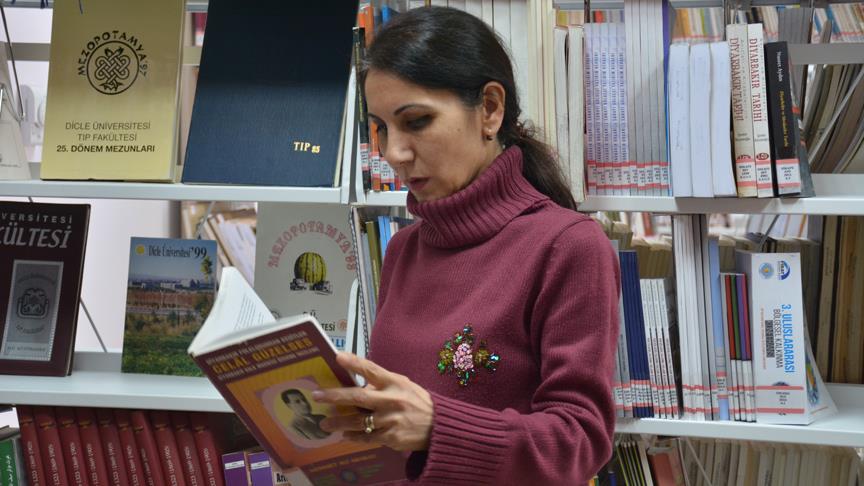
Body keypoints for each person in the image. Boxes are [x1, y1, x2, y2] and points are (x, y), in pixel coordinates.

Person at [311, 6, 619, 484]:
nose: (393, 153)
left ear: (490, 109)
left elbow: (578, 442)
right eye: (381, 128)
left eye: (416, 121)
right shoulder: (403, 249)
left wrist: (437, 428)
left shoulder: (568, 246)